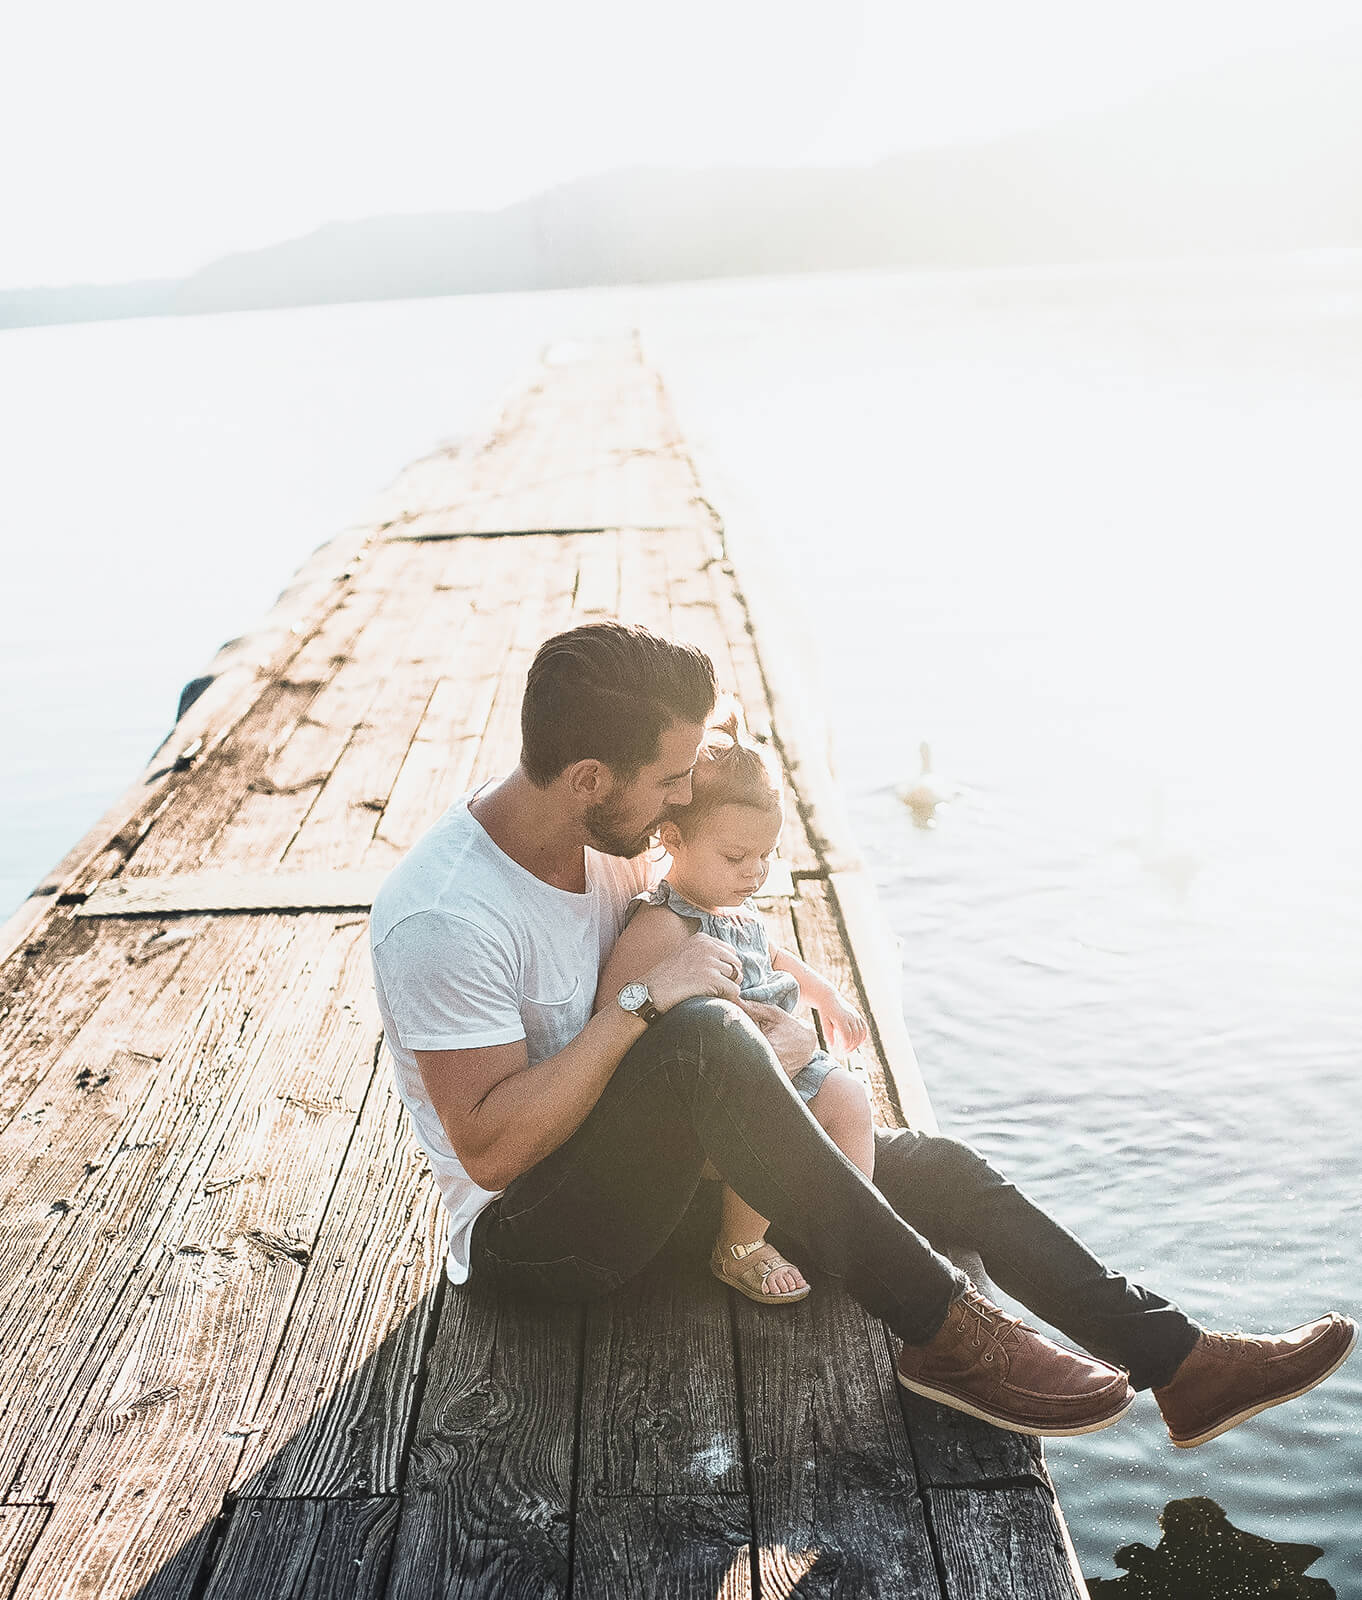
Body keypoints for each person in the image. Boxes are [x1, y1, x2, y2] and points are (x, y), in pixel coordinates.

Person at [369, 620, 1356, 1444]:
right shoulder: (447, 914)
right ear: (591, 777)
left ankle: (1179, 1362)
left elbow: (711, 939)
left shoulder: (612, 841)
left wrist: (783, 1007)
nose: (685, 796)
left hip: (666, 1177)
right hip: (540, 1239)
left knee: (942, 1169)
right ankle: (945, 1330)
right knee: (705, 1037)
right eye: (672, 779)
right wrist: (646, 1006)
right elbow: (492, 1153)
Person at [596, 710, 874, 1306]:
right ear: (673, 840)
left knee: (852, 1098)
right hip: (718, 1093)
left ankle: (849, 1226)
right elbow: (612, 1012)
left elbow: (777, 958)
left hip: (786, 1059)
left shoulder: (735, 913)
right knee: (764, 1117)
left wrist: (826, 996)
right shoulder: (663, 923)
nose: (753, 872)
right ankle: (739, 1243)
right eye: (734, 857)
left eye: (765, 856)